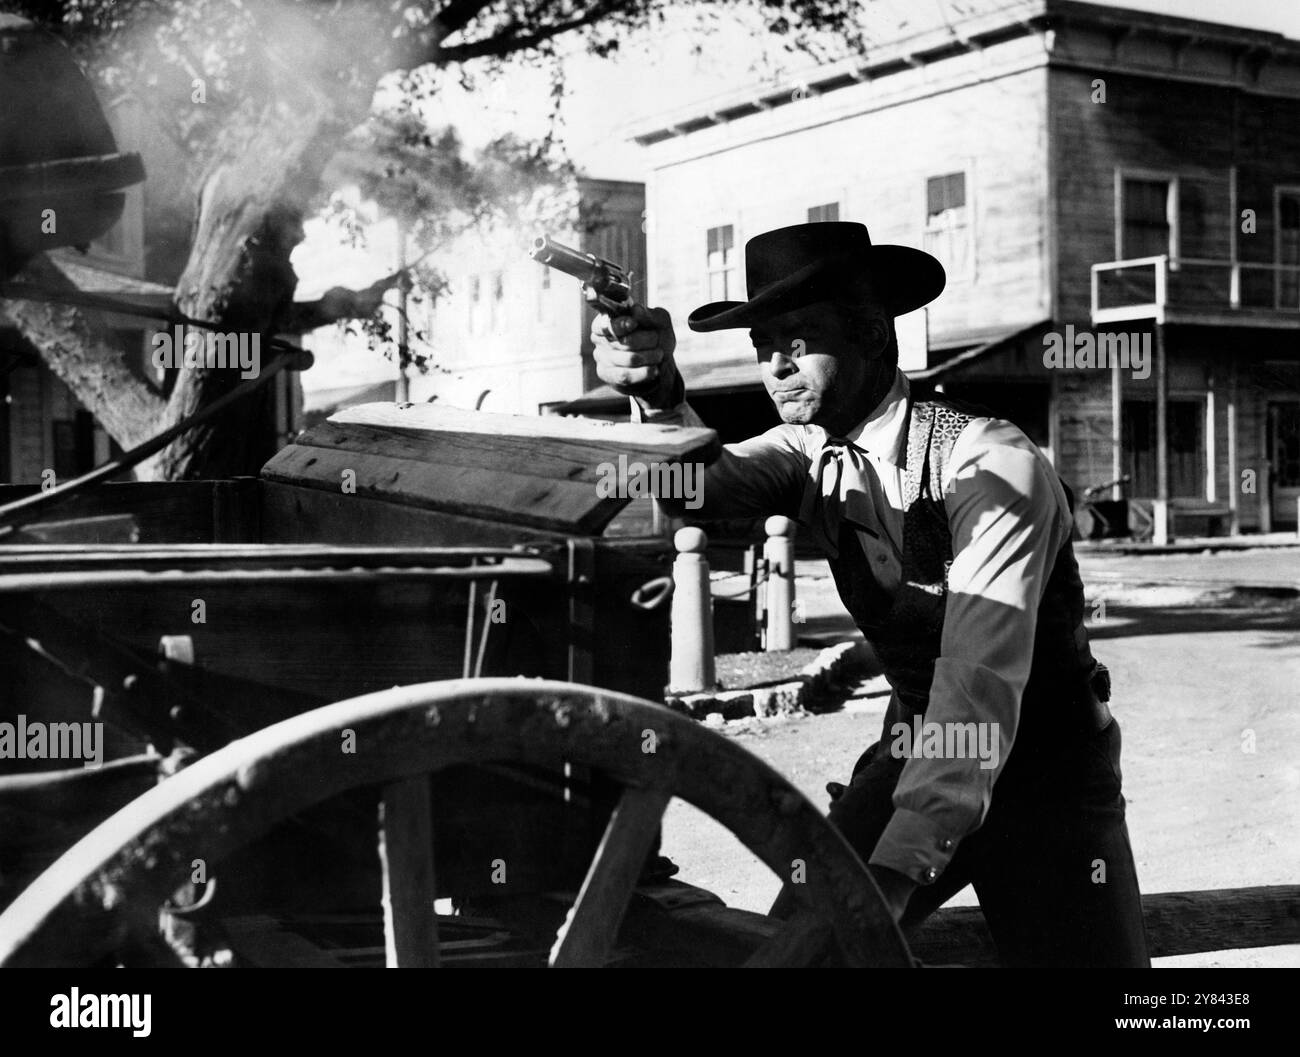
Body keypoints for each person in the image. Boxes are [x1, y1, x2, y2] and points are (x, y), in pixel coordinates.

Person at [591, 221, 1150, 967]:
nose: (777, 364)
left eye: (801, 336)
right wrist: (656, 389)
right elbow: (691, 489)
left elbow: (974, 692)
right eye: (764, 343)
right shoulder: (805, 452)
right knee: (794, 949)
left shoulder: (991, 464)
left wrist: (882, 889)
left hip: (1047, 780)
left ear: (871, 334)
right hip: (915, 748)